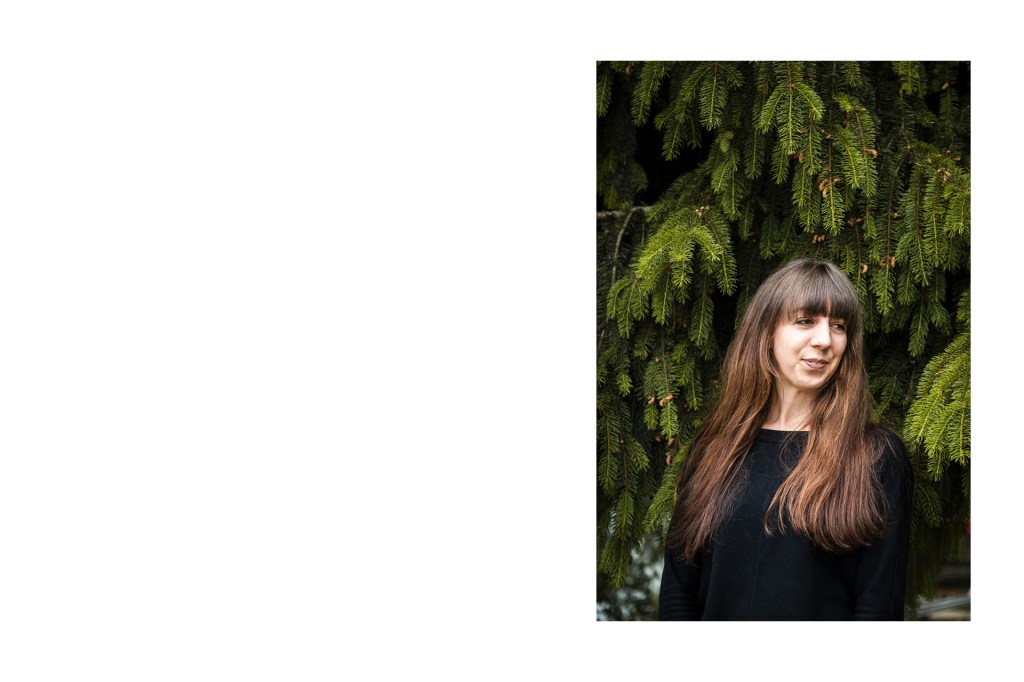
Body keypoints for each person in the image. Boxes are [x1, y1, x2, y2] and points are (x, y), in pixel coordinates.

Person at [658, 258, 913, 620]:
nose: (824, 340)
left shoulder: (875, 454)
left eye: (838, 326)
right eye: (805, 321)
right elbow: (679, 590)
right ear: (766, 333)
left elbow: (878, 607)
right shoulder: (714, 446)